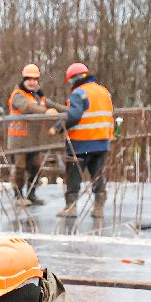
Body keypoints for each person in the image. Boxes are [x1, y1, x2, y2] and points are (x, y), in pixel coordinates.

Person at [56, 62, 115, 217]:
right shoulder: (103, 91)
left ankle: (71, 207)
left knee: (74, 176)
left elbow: (74, 116)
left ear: (74, 79)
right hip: (101, 141)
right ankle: (98, 208)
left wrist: (58, 127)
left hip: (81, 142)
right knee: (97, 176)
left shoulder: (79, 93)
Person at [6, 64, 58, 205]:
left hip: (34, 141)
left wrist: (72, 110)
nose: (32, 82)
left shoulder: (39, 97)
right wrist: (45, 112)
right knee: (20, 168)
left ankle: (31, 194)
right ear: (24, 80)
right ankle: (18, 196)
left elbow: (54, 106)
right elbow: (26, 107)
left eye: (34, 79)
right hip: (18, 140)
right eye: (29, 79)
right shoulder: (18, 95)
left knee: (36, 166)